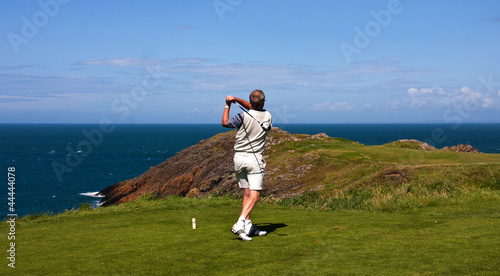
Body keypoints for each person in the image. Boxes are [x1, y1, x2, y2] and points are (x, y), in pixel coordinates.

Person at [222, 89, 272, 241]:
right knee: (255, 195)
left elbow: (225, 123)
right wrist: (236, 99)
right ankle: (240, 223)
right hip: (254, 159)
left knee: (247, 193)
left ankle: (248, 226)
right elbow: (253, 105)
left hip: (239, 158)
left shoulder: (242, 116)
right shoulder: (267, 115)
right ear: (263, 102)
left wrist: (228, 104)